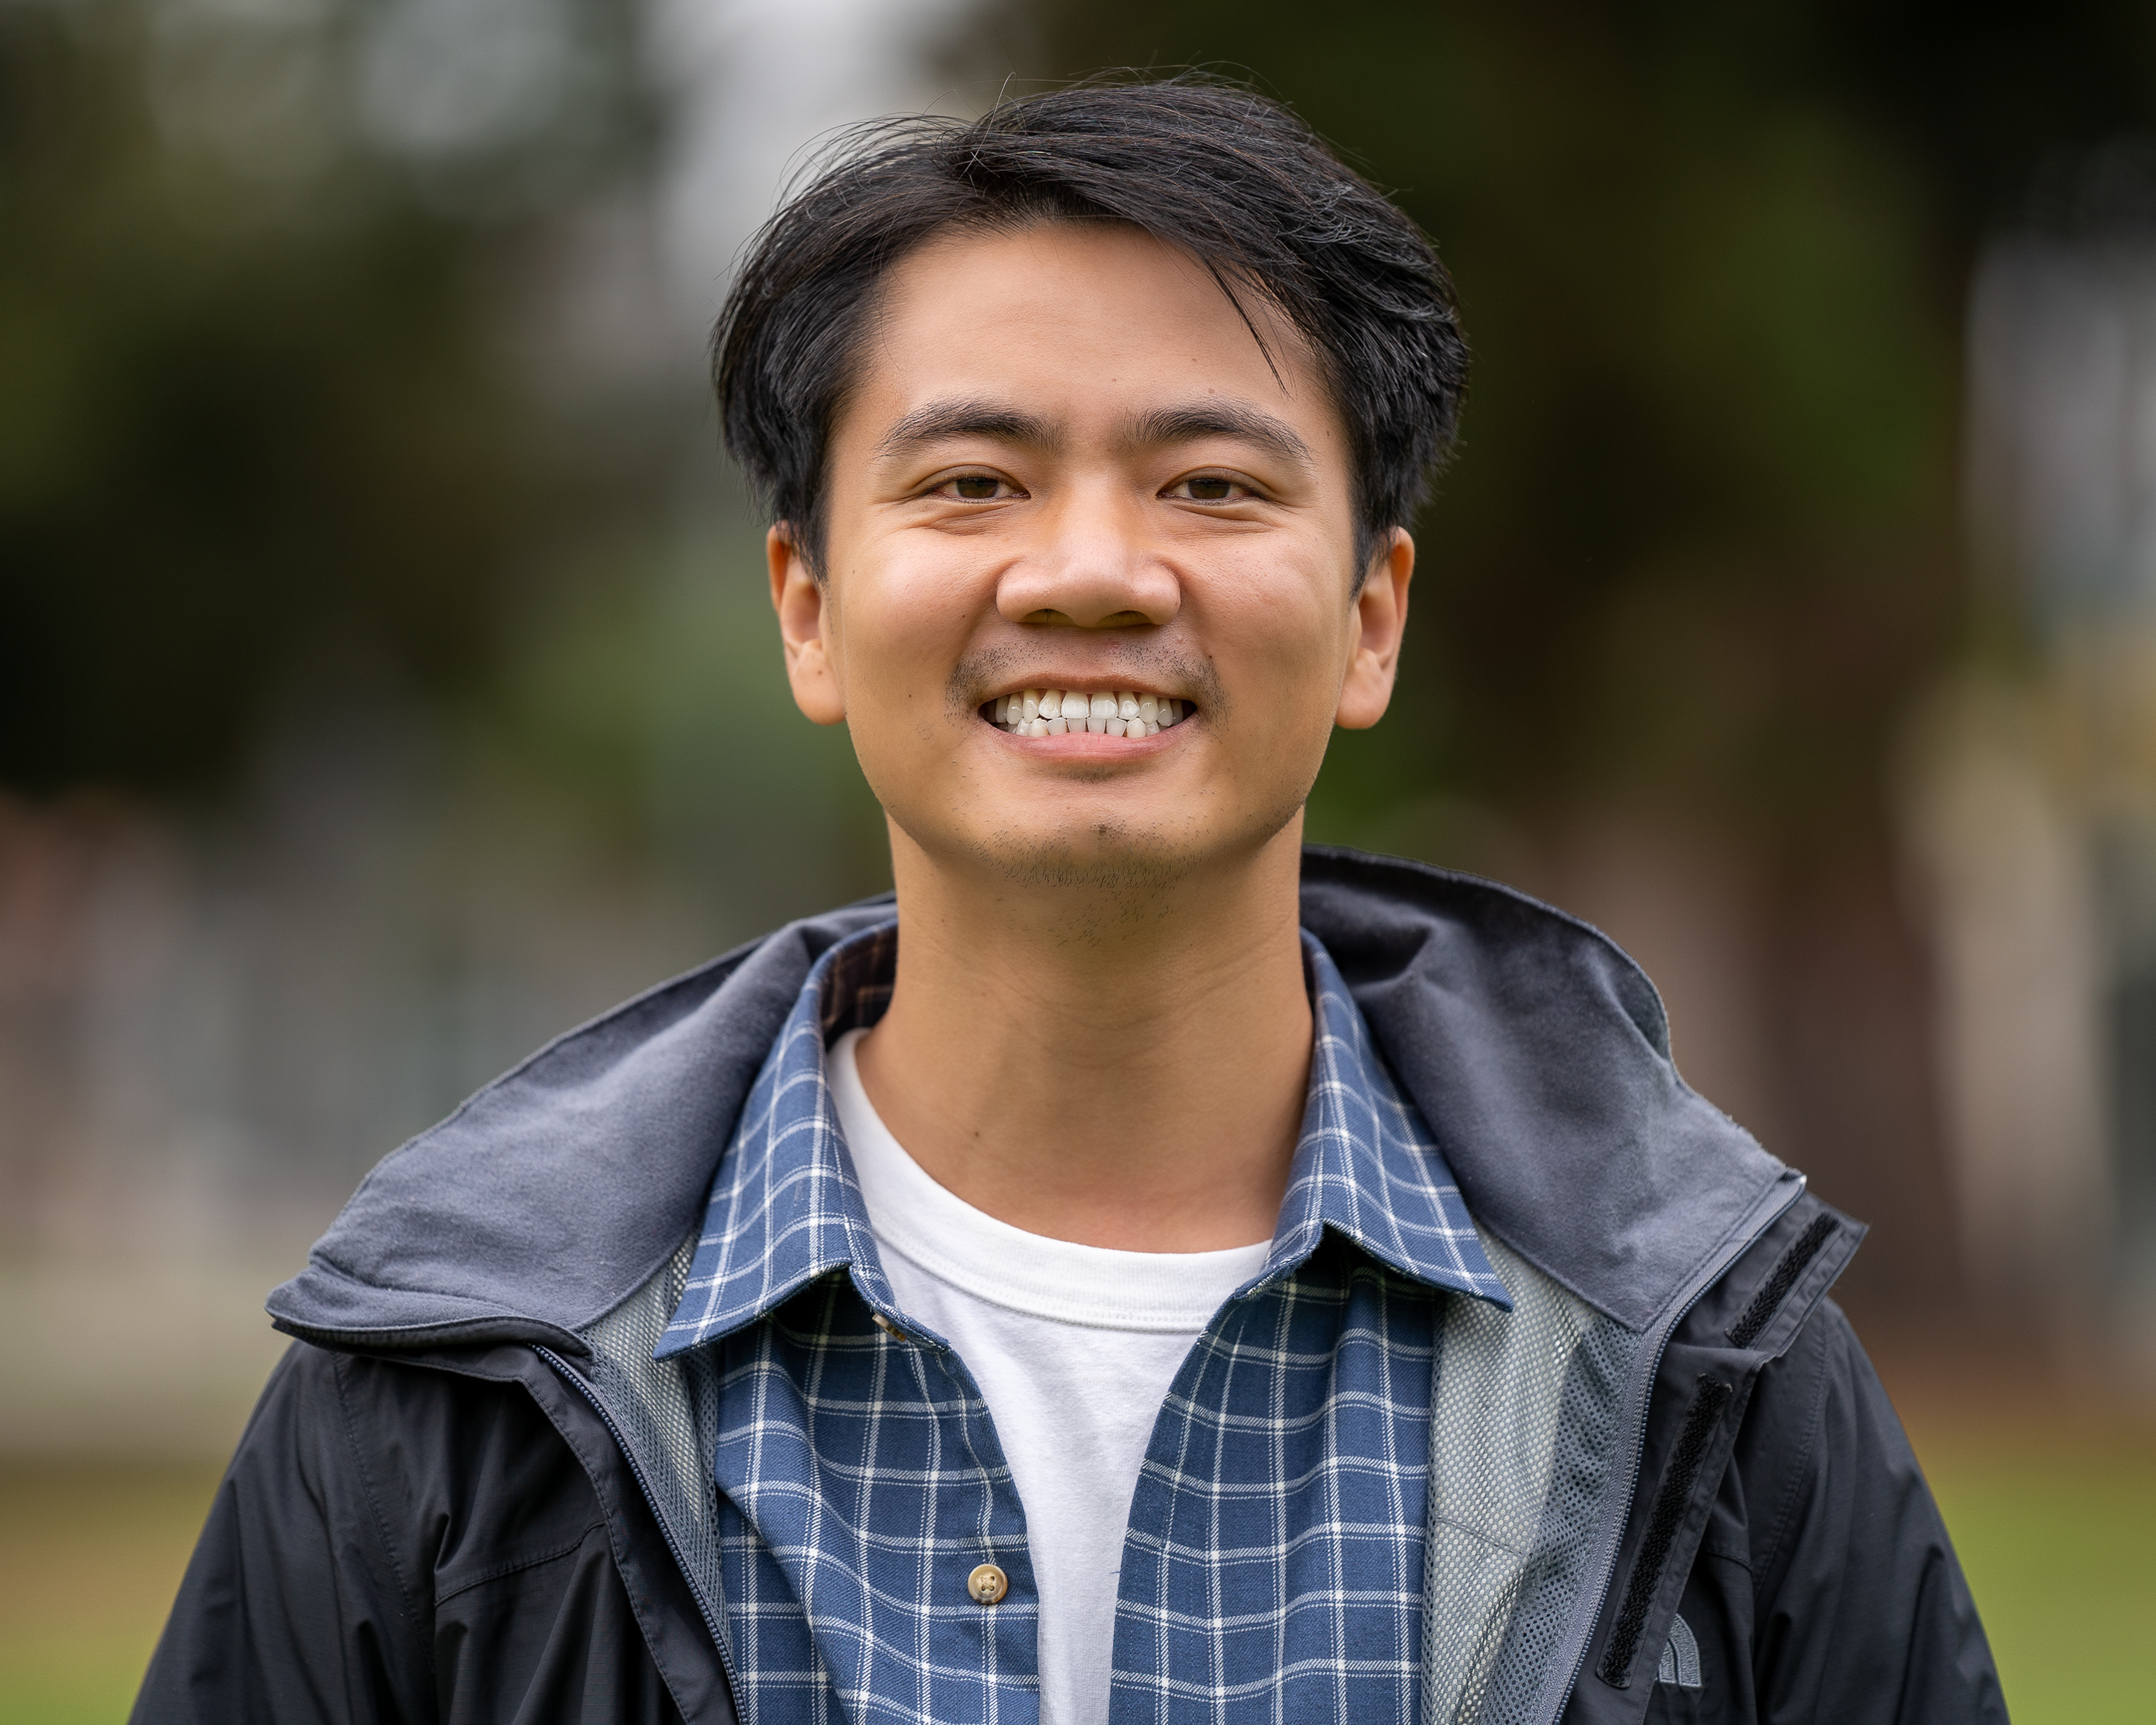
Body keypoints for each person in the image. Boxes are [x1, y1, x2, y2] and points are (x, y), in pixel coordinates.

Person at [135, 77, 2004, 1725]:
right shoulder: (461, 1384)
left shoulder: (1701, 1360)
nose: (1094, 572)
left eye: (1208, 482)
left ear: (1373, 618)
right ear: (807, 605)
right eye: (971, 480)